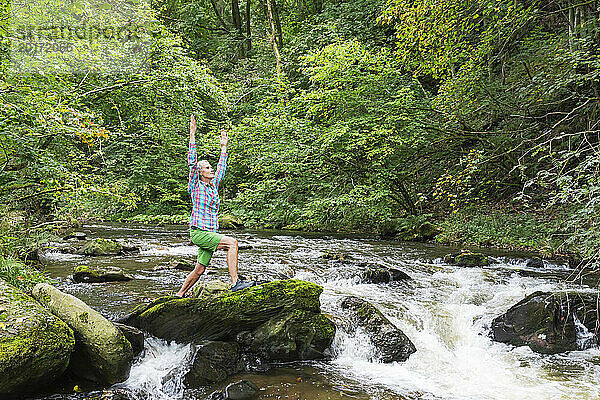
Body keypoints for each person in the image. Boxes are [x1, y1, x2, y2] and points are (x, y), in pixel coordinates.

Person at [176, 114, 254, 297]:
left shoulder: (213, 186)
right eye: (208, 168)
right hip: (199, 232)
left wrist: (224, 147)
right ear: (200, 172)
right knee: (232, 243)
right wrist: (192, 134)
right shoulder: (196, 185)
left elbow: (222, 167)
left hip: (210, 232)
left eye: (211, 167)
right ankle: (235, 282)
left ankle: (179, 294)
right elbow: (191, 162)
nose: (211, 169)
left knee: (199, 270)